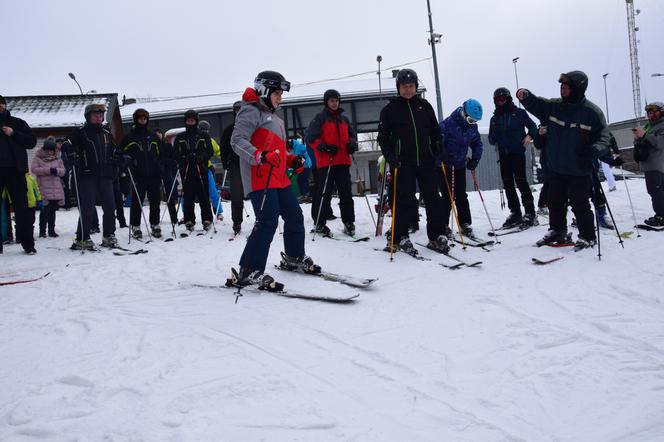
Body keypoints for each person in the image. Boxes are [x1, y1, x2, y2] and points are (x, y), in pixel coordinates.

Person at [228, 70, 319, 289]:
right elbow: (237, 141)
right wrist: (259, 156)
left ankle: (294, 257)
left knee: (295, 216)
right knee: (268, 221)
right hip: (260, 180)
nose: (280, 97)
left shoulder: (275, 118)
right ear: (264, 90)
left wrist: (290, 160)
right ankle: (249, 270)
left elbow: (274, 152)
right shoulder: (249, 111)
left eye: (281, 93)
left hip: (279, 179)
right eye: (276, 92)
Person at [516, 70, 610, 249]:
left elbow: (605, 138)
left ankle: (588, 236)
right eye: (562, 87)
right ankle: (558, 231)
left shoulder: (591, 112)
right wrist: (526, 96)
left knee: (579, 203)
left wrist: (593, 151)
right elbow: (538, 104)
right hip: (557, 167)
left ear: (578, 89)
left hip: (578, 169)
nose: (563, 90)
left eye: (567, 88)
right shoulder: (555, 106)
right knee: (555, 202)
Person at [376, 68, 447, 255]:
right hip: (403, 162)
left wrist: (438, 143)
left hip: (426, 160)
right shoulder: (390, 110)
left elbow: (435, 131)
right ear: (398, 87)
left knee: (433, 198)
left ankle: (436, 235)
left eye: (411, 86)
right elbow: (382, 138)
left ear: (415, 87)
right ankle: (400, 236)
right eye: (404, 86)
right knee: (404, 200)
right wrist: (391, 156)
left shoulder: (425, 106)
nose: (408, 90)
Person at [62, 103, 120, 250]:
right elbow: (65, 143)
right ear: (88, 117)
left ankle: (109, 235)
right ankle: (82, 238)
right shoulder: (81, 132)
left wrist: (121, 157)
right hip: (87, 175)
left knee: (110, 206)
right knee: (87, 207)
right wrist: (69, 150)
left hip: (106, 175)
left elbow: (115, 150)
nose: (99, 118)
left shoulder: (106, 133)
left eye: (101, 115)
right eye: (96, 115)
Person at [305, 89, 358, 237]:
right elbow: (310, 137)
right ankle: (319, 223)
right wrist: (324, 146)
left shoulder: (344, 119)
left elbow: (352, 135)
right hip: (326, 162)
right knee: (324, 194)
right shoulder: (320, 118)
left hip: (342, 161)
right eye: (331, 101)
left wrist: (352, 144)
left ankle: (349, 222)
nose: (334, 103)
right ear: (326, 102)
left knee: (346, 194)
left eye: (336, 100)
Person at [488, 87, 538, 228]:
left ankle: (530, 213)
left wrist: (529, 136)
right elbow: (491, 140)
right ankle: (515, 212)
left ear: (508, 98)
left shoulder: (519, 113)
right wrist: (496, 133)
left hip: (517, 153)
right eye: (498, 100)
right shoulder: (494, 119)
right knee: (508, 184)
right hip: (504, 155)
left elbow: (533, 127)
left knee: (521, 182)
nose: (500, 102)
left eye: (503, 99)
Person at [439, 98, 484, 237]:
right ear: (464, 114)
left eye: (475, 121)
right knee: (447, 196)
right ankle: (443, 224)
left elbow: (477, 144)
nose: (473, 123)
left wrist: (474, 160)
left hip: (459, 165)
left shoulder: (472, 128)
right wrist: (442, 154)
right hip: (445, 165)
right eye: (471, 120)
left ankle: (465, 223)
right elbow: (436, 143)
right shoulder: (447, 124)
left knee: (461, 195)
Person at [0, 94, 38, 254]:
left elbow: (32, 142)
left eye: (1, 103)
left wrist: (14, 133)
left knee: (22, 209)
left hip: (16, 171)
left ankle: (27, 244)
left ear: (5, 105)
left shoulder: (17, 123)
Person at [120, 108, 163, 239]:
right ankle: (136, 225)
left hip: (153, 174)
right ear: (135, 120)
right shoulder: (129, 137)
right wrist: (128, 163)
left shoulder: (153, 136)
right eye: (140, 119)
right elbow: (121, 153)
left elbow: (161, 153)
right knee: (137, 201)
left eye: (145, 119)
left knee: (155, 200)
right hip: (137, 174)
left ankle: (155, 224)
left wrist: (160, 164)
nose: (142, 121)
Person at [173, 109, 214, 232]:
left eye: (192, 121)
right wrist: (183, 158)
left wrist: (201, 157)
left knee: (204, 196)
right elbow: (175, 153)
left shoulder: (203, 135)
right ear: (185, 122)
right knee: (189, 197)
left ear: (196, 121)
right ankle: (189, 220)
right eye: (188, 121)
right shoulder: (180, 137)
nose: (190, 123)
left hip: (200, 169)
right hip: (186, 170)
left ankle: (207, 219)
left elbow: (210, 151)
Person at [633, 101, 664, 226]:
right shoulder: (648, 126)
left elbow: (660, 143)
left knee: (655, 191)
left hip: (656, 164)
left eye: (653, 112)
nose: (651, 115)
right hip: (649, 164)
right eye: (649, 113)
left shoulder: (662, 125)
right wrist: (637, 139)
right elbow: (643, 141)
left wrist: (645, 135)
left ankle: (661, 216)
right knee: (658, 191)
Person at [31, 136, 65, 237]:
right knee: (45, 211)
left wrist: (57, 171)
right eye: (47, 150)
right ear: (44, 150)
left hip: (56, 189)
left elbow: (63, 171)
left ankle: (51, 230)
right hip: (44, 188)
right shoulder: (38, 158)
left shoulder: (58, 159)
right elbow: (34, 169)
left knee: (52, 212)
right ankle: (42, 231)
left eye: (51, 150)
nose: (49, 152)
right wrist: (48, 170)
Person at [220, 101, 246, 235]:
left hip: (249, 163)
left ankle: (262, 218)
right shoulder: (229, 129)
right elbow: (223, 147)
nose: (239, 111)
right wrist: (225, 162)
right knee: (236, 195)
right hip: (235, 164)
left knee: (257, 192)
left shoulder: (250, 126)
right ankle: (237, 221)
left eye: (241, 109)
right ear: (234, 112)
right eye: (237, 110)